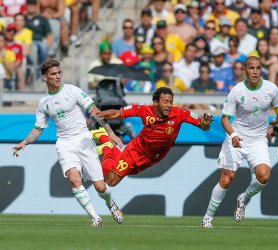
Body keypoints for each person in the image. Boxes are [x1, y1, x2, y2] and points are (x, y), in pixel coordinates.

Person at [12, 59, 124, 227]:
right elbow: (38, 129)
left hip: (84, 140)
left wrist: (111, 133)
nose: (57, 77)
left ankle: (111, 204)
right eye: (53, 74)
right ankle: (95, 218)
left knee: (100, 187)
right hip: (65, 143)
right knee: (73, 178)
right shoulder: (44, 103)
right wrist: (25, 142)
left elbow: (95, 113)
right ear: (45, 78)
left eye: (59, 73)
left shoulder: (73, 91)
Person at [201, 56, 278, 228]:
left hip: (258, 141)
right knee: (227, 179)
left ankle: (243, 198)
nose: (255, 71)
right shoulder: (237, 91)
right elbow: (225, 118)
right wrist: (233, 135)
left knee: (264, 175)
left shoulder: (272, 89)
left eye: (258, 68)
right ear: (244, 70)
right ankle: (208, 218)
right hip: (237, 137)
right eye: (251, 68)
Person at [90, 87, 214, 187]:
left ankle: (112, 148)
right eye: (165, 102)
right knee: (110, 182)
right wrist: (102, 113)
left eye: (171, 102)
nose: (169, 105)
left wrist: (206, 124)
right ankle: (107, 146)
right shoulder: (144, 110)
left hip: (154, 157)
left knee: (120, 173)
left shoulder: (181, 114)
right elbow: (118, 113)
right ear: (155, 103)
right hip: (136, 151)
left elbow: (203, 126)